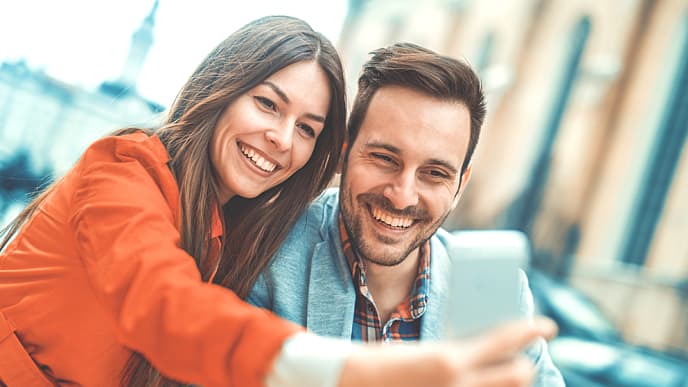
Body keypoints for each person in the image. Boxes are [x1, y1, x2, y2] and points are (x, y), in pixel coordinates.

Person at [0, 15, 556, 387]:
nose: (283, 140)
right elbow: (168, 308)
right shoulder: (129, 175)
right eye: (268, 105)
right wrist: (367, 373)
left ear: (461, 182)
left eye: (307, 127)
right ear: (346, 156)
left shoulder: (239, 228)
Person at [249, 42, 565, 386]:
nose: (401, 196)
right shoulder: (267, 250)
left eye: (434, 173)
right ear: (344, 153)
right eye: (384, 158)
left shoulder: (497, 294)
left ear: (460, 184)